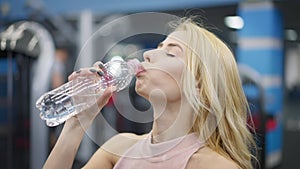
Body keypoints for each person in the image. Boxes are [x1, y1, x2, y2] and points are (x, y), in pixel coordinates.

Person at [42, 18, 257, 169]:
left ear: (200, 83)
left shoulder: (214, 166)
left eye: (171, 53)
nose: (149, 54)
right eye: (158, 46)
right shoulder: (118, 149)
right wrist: (77, 123)